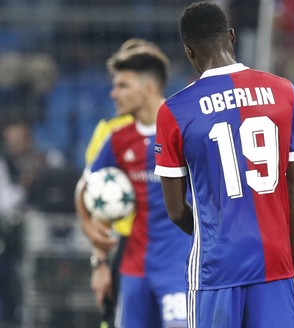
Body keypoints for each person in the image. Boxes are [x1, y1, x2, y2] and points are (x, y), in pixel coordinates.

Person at [154, 2, 294, 327]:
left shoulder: (174, 111)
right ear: (231, 37)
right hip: (276, 266)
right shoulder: (285, 92)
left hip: (216, 269)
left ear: (188, 51)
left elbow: (175, 210)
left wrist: (218, 234)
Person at [74, 45, 190, 328]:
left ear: (149, 87)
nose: (114, 93)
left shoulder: (185, 128)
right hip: (134, 269)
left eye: (123, 85)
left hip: (180, 267)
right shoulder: (117, 138)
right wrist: (94, 244)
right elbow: (87, 185)